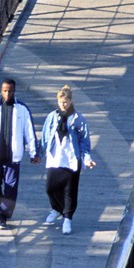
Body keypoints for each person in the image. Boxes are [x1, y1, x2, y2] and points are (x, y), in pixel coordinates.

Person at [0, 75, 39, 228]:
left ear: (14, 91)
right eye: (4, 91)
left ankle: (3, 216)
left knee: (10, 188)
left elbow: (29, 132)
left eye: (10, 91)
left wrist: (33, 153)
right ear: (1, 91)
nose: (7, 94)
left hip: (13, 156)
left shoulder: (21, 109)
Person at [40, 85, 96, 235]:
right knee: (50, 187)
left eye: (66, 101)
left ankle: (67, 218)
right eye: (60, 101)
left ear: (71, 101)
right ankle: (57, 208)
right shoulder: (52, 116)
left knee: (69, 191)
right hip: (55, 157)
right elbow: (45, 135)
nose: (63, 104)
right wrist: (38, 152)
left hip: (71, 159)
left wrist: (87, 159)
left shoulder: (78, 119)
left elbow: (84, 141)